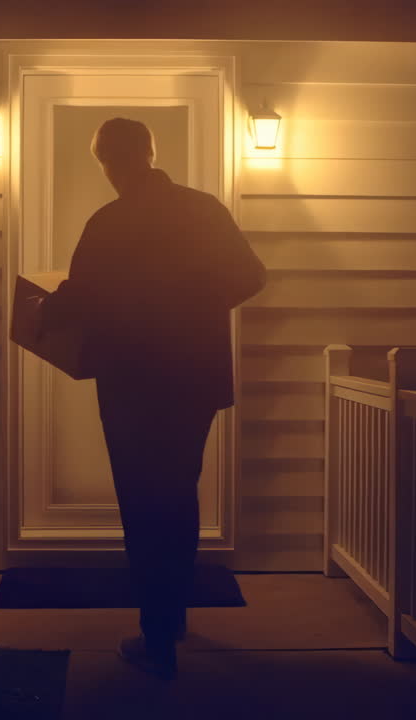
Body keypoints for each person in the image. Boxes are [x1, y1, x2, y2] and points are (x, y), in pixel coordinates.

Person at [40, 117, 266, 680]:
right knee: (178, 495)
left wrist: (44, 308)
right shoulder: (204, 208)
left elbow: (79, 299)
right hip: (194, 378)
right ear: (150, 152)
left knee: (143, 504)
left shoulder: (109, 222)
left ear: (109, 163)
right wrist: (195, 306)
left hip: (133, 382)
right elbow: (251, 275)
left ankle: (157, 635)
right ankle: (173, 617)